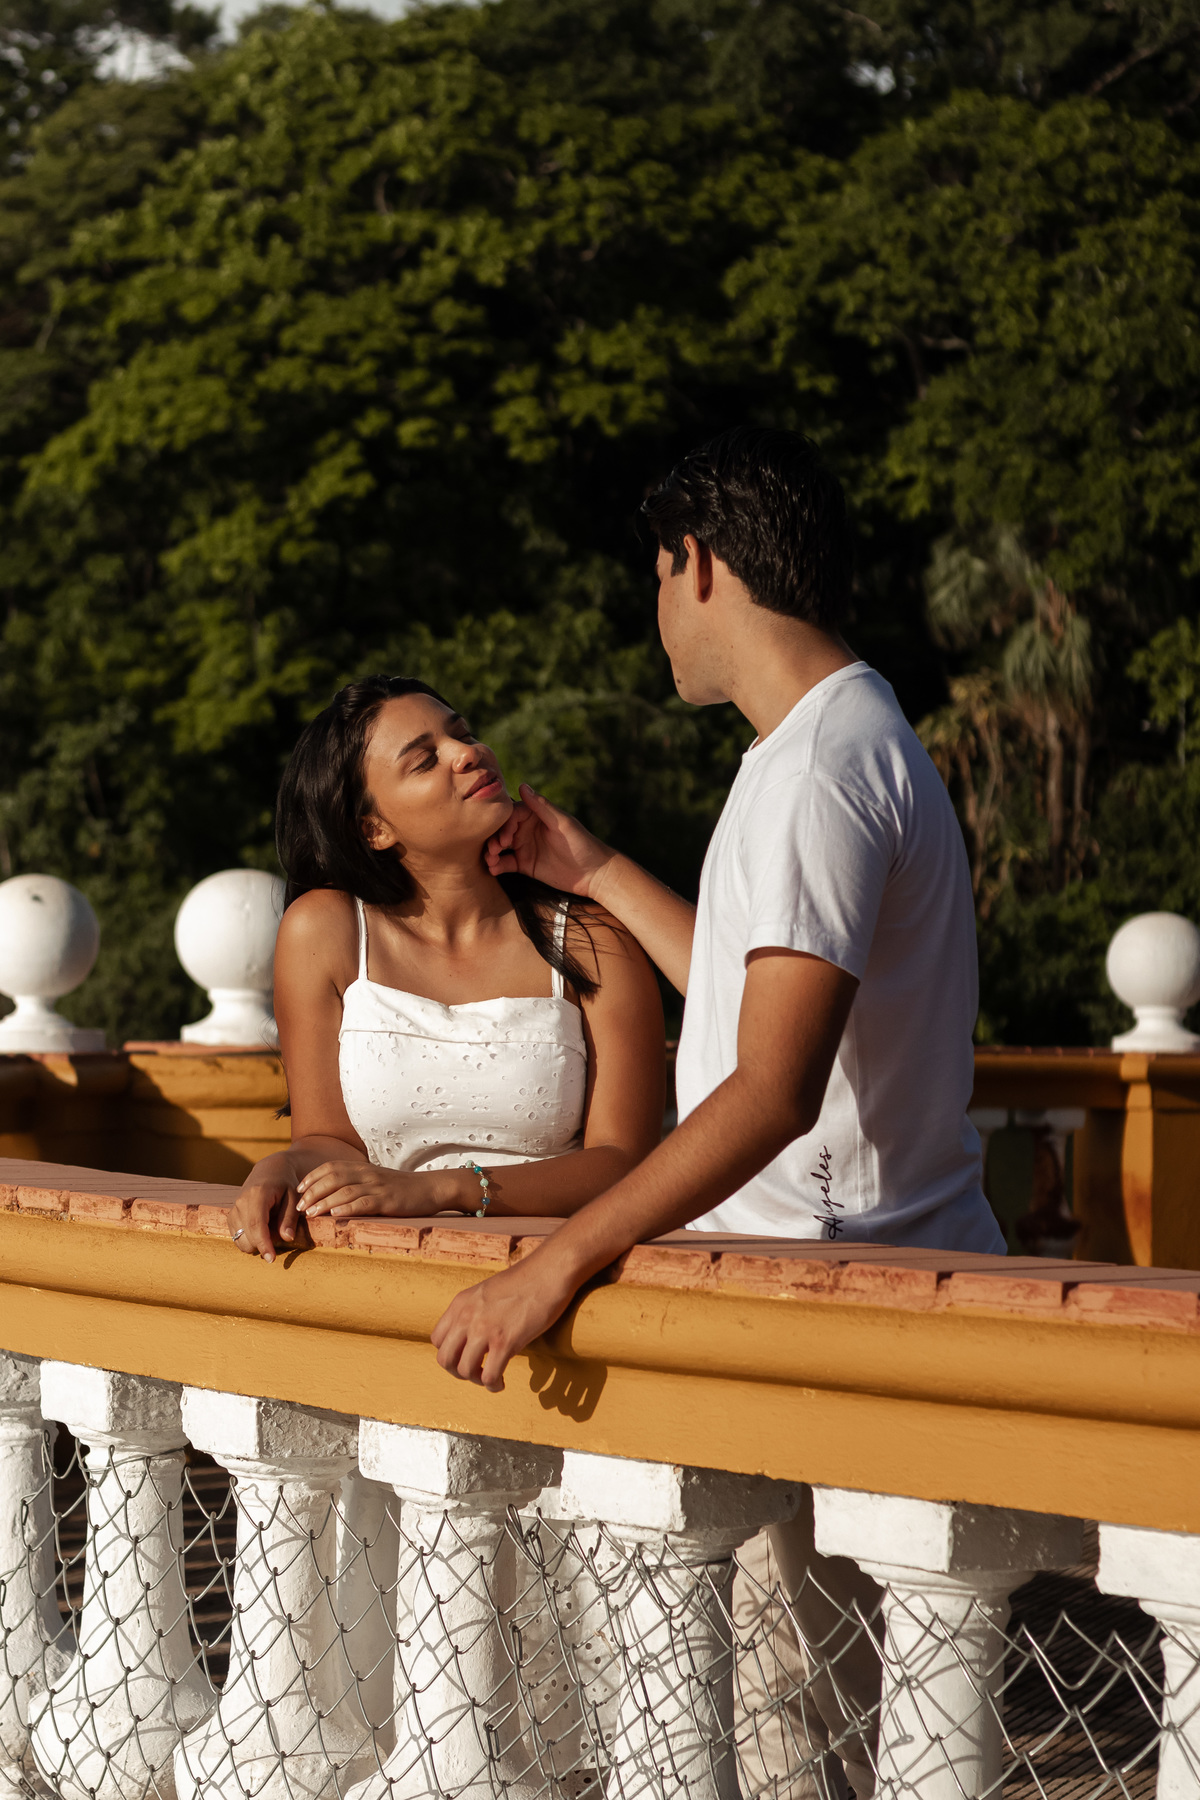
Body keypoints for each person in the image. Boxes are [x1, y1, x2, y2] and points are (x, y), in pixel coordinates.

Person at [428, 425, 1005, 1800]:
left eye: (654, 571)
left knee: (794, 1744)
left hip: (828, 1303)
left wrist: (555, 1263)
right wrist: (599, 867)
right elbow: (761, 1017)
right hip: (825, 1289)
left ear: (697, 560)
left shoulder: (815, 771)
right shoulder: (828, 742)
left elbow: (768, 1089)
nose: (654, 612)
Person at [226, 676, 665, 1259]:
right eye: (425, 760)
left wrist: (443, 1189)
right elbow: (326, 1139)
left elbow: (626, 1164)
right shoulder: (324, 932)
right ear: (373, 830)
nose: (469, 754)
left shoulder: (590, 940)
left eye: (463, 733)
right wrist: (276, 1169)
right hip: (389, 1272)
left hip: (558, 1268)